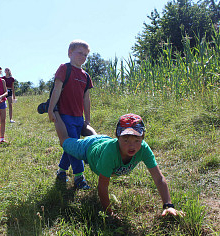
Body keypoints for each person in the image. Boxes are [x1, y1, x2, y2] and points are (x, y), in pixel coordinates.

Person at [53, 112, 185, 217]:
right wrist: (109, 213)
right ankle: (56, 112)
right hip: (88, 148)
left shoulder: (143, 149)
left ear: (143, 138)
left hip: (102, 141)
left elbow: (159, 178)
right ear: (118, 137)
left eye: (137, 140)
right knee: (64, 141)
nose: (131, 145)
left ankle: (80, 122)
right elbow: (102, 187)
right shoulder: (110, 153)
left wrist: (168, 205)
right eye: (126, 140)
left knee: (94, 135)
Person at [48, 39, 93, 189]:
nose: (83, 57)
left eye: (86, 55)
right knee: (74, 146)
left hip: (78, 118)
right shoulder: (64, 69)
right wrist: (51, 109)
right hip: (65, 116)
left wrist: (87, 118)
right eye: (80, 53)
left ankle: (61, 172)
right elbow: (57, 89)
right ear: (70, 53)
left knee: (71, 146)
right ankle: (79, 177)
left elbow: (86, 98)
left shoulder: (86, 76)